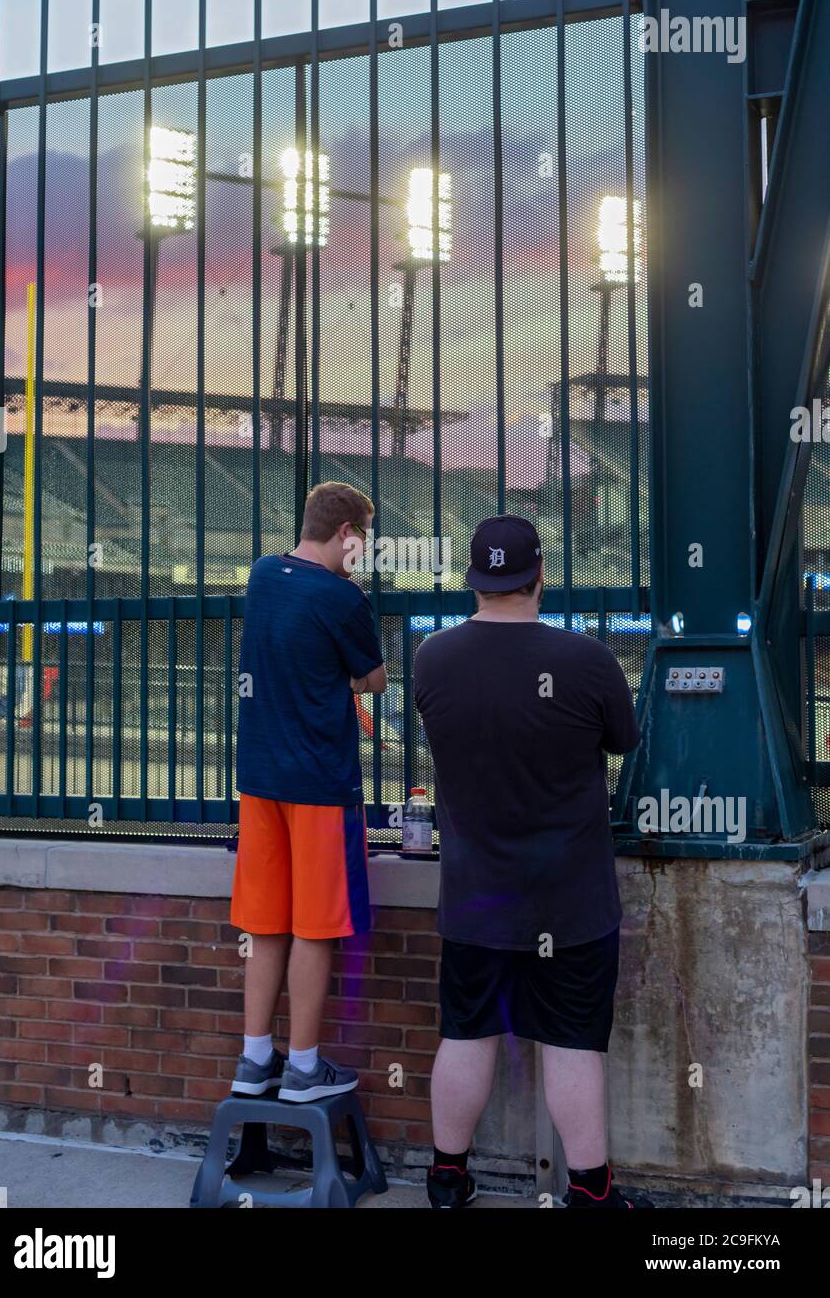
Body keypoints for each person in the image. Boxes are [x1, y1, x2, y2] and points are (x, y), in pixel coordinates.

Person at [414, 515, 648, 1209]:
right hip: (568, 900)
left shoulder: (433, 657)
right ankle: (591, 1193)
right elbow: (623, 740)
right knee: (572, 1043)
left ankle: (447, 1177)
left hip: (475, 898)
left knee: (466, 1032)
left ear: (473, 581)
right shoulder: (587, 661)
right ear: (539, 575)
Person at [229, 481, 386, 1103]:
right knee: (316, 928)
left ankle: (254, 1059)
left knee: (266, 924)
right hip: (319, 783)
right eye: (363, 540)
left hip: (260, 779)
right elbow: (372, 679)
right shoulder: (343, 595)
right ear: (347, 533)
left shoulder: (265, 574)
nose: (363, 552)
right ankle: (302, 1067)